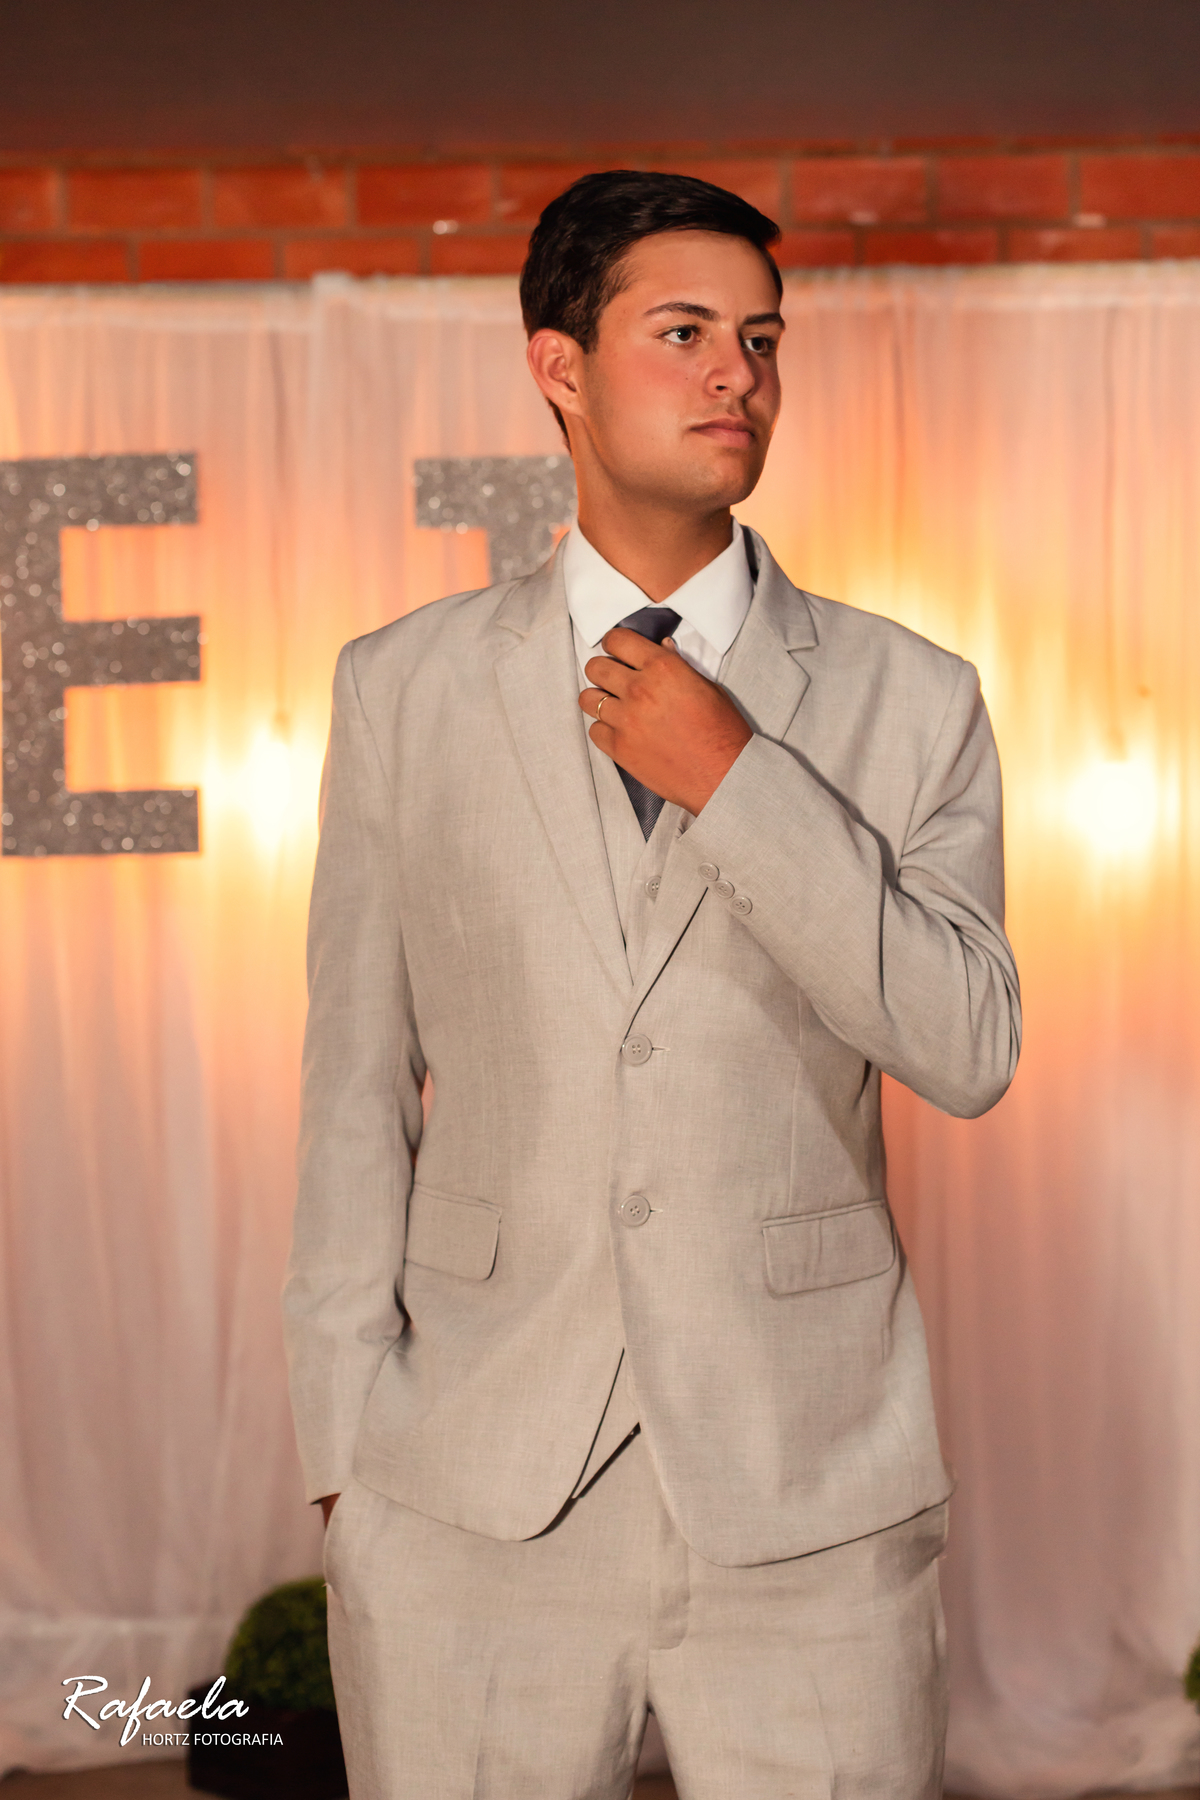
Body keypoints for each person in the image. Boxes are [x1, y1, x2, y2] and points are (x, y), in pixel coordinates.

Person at [283, 169, 1021, 1800]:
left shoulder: (916, 697)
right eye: (682, 332)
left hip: (810, 1495)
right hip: (467, 1492)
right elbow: (353, 1088)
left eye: (762, 338)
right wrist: (346, 1456)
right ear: (558, 365)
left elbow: (971, 1045)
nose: (736, 374)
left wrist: (740, 780)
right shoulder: (403, 689)